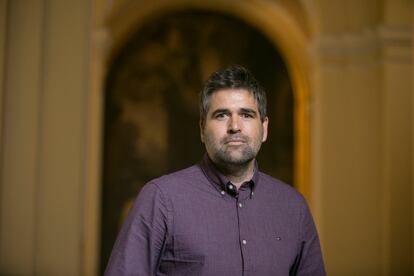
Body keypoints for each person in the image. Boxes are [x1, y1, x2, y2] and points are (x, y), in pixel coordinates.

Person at [105, 65, 326, 275]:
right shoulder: (161, 200)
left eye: (247, 115)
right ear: (202, 129)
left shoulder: (294, 208)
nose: (235, 126)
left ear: (264, 128)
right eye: (221, 115)